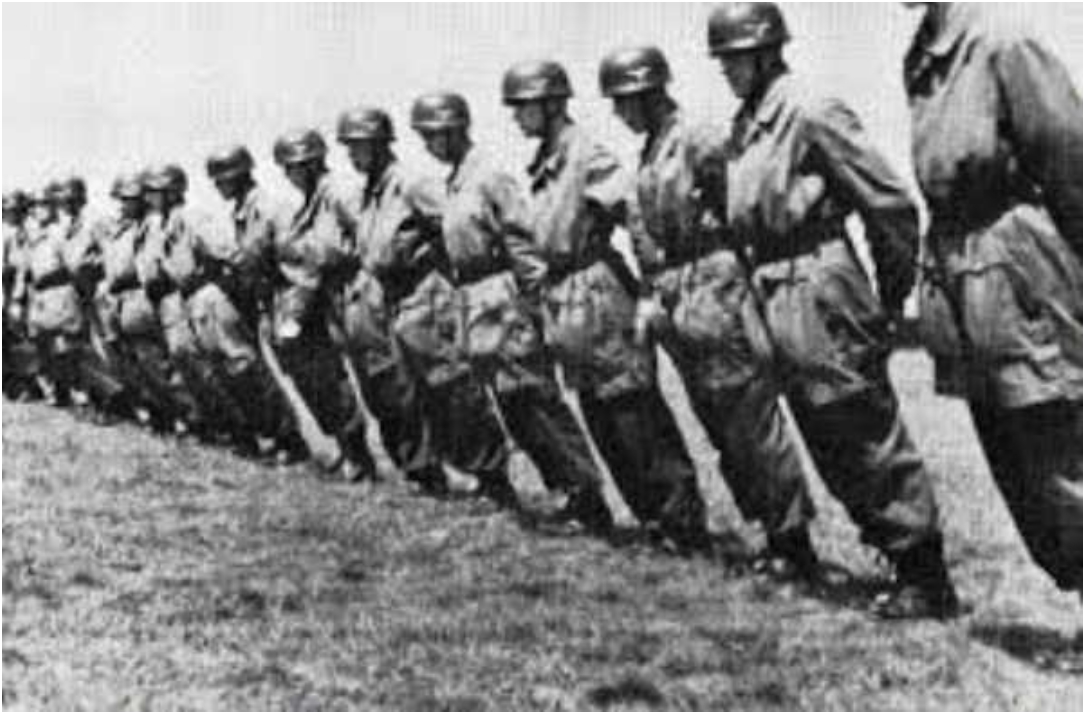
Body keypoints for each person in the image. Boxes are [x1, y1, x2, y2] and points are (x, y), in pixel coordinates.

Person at [707, 2, 958, 618]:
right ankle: (895, 556)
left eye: (735, 59)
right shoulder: (747, 125)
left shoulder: (811, 111)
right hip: (774, 288)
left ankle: (925, 574)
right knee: (827, 437)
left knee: (861, 427)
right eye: (723, 61)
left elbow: (890, 205)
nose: (727, 70)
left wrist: (888, 299)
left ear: (766, 53)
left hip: (819, 285)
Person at [597, 46, 817, 573]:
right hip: (682, 296)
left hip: (716, 289)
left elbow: (738, 205)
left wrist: (733, 275)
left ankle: (793, 542)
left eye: (624, 101)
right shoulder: (653, 151)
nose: (618, 113)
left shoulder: (699, 138)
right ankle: (770, 532)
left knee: (749, 418)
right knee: (719, 422)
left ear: (649, 94)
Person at [903, 3, 1081, 601]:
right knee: (1013, 460)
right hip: (961, 275)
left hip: (1019, 272)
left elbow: (1072, 165)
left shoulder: (1005, 42)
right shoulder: (922, 58)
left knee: (1057, 449)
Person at [502, 59, 706, 544]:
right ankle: (652, 521)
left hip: (598, 293)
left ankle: (682, 524)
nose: (516, 117)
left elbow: (633, 211)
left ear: (551, 105)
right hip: (568, 298)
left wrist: (651, 286)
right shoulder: (550, 159)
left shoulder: (585, 153)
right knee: (602, 416)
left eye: (523, 106)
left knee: (633, 412)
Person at [399, 91, 609, 517]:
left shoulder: (489, 175)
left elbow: (522, 240)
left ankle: (586, 496)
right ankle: (566, 491)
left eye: (432, 135)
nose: (427, 145)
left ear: (454, 130)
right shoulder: (457, 181)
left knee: (534, 398)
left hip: (503, 298)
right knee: (514, 407)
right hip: (476, 300)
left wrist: (537, 302)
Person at [270, 127, 378, 481]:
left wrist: (311, 252)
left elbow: (365, 238)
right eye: (287, 168)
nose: (290, 174)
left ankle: (370, 460)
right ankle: (354, 454)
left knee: (377, 380)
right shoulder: (312, 200)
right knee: (323, 377)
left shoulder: (338, 192)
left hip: (354, 292)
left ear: (314, 163)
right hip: (325, 296)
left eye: (296, 166)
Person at [204, 143, 303, 460]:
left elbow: (291, 258)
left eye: (222, 179)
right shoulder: (242, 211)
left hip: (287, 295)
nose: (218, 186)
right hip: (265, 298)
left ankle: (300, 443)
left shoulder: (269, 207)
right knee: (260, 370)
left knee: (302, 373)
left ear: (239, 175)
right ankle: (286, 439)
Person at [21, 181, 87, 407]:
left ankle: (75, 391)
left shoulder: (60, 232)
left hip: (60, 291)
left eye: (44, 205)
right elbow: (27, 267)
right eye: (35, 206)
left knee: (64, 346)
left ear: (53, 207)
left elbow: (73, 265)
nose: (39, 210)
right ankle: (53, 390)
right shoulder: (33, 236)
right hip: (39, 295)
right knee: (42, 345)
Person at [3, 189, 42, 400]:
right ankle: (12, 384)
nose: (14, 214)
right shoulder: (4, 234)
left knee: (23, 338)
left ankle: (25, 383)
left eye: (18, 211)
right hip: (7, 293)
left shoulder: (28, 233)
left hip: (25, 292)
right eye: (10, 211)